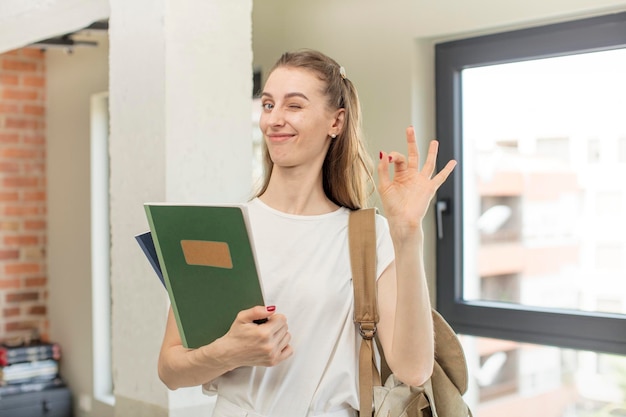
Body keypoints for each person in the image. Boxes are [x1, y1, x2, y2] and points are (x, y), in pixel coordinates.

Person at [157, 49, 457, 417]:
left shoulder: (367, 235)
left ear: (337, 121)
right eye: (268, 105)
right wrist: (228, 351)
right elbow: (170, 370)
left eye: (294, 106)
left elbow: (413, 369)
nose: (274, 120)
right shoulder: (220, 232)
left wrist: (408, 234)